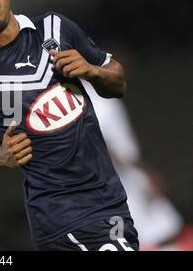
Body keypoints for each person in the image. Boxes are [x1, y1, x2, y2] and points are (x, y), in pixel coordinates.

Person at [0, 0, 138, 251]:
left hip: (110, 201)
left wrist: (91, 71)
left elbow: (117, 84)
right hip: (63, 217)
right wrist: (0, 155)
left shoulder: (55, 28)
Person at [83, 80, 193, 251]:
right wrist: (144, 171)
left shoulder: (81, 97)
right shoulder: (100, 100)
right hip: (119, 179)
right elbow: (115, 147)